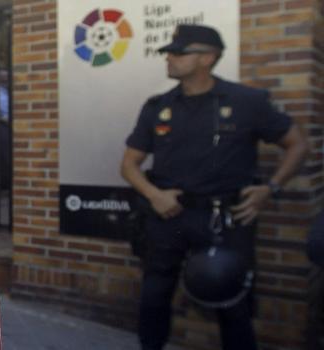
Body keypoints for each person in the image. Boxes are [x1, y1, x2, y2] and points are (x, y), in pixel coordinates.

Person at [120, 24, 309, 350]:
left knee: (231, 303)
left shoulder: (247, 101)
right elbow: (129, 165)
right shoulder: (158, 106)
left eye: (179, 52)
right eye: (168, 52)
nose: (169, 57)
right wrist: (155, 196)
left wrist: (271, 189)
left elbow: (298, 145)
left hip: (224, 220)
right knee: (153, 297)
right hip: (168, 218)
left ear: (208, 57)